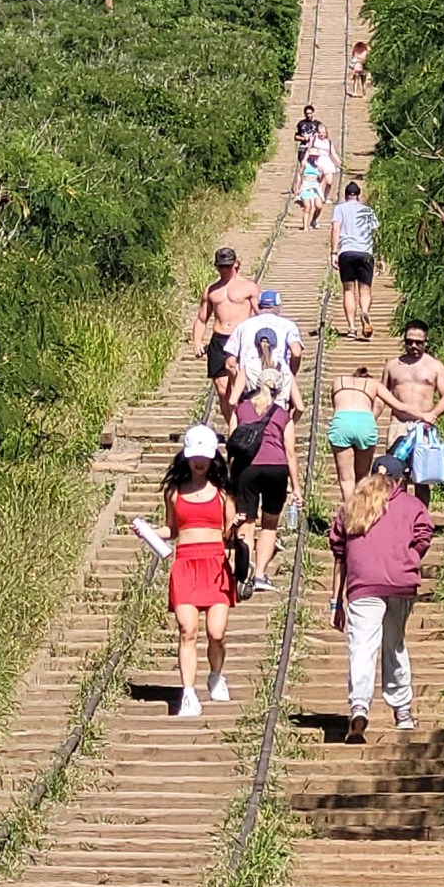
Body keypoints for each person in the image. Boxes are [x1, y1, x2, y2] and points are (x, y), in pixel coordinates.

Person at [330, 456, 433, 743]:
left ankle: (359, 706)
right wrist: (411, 557)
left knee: (362, 646)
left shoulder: (352, 505)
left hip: (363, 585)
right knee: (394, 644)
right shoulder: (412, 506)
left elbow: (339, 555)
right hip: (400, 583)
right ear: (400, 481)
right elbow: (425, 533)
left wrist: (336, 602)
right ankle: (402, 711)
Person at [142, 425, 238, 718]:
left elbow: (229, 533)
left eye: (204, 457)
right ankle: (187, 693)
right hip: (185, 564)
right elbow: (171, 529)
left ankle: (216, 675)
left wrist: (238, 529)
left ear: (212, 458)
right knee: (188, 630)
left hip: (215, 566)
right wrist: (146, 530)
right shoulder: (174, 492)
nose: (199, 462)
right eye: (194, 456)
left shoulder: (223, 493)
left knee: (216, 632)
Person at [230, 368, 301, 598]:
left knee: (246, 523)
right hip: (276, 469)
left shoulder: (240, 410)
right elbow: (290, 452)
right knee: (269, 524)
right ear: (279, 389)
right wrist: (296, 487)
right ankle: (260, 575)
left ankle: (243, 572)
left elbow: (232, 444)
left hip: (246, 469)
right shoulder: (282, 415)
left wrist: (230, 481)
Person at [381, 319, 444, 506]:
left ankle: (421, 521)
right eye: (409, 341)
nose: (413, 346)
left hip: (424, 427)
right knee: (396, 477)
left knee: (423, 477)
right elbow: (381, 395)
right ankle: (398, 521)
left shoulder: (435, 366)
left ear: (426, 342)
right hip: (399, 425)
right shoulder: (392, 366)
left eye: (418, 342)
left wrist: (433, 415)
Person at [192, 247, 260, 422]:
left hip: (240, 340)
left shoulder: (249, 287)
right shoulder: (211, 290)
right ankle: (233, 426)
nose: (224, 270)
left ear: (236, 264)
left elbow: (261, 314)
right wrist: (197, 341)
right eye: (221, 266)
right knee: (223, 391)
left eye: (227, 266)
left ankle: (245, 421)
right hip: (219, 341)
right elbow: (201, 318)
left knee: (242, 388)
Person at [327, 365, 412, 505]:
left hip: (341, 421)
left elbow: (335, 405)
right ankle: (363, 513)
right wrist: (425, 415)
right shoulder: (373, 384)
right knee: (363, 475)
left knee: (346, 478)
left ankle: (349, 516)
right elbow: (399, 406)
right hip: (365, 422)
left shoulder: (338, 381)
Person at [330, 181, 379, 340]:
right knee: (365, 290)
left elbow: (336, 229)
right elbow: (376, 233)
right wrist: (379, 256)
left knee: (348, 290)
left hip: (347, 252)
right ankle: (365, 311)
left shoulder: (340, 209)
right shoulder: (368, 211)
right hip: (365, 253)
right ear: (359, 196)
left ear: (345, 196)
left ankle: (351, 327)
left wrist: (334, 252)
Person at [225, 290, 304, 387]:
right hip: (277, 379)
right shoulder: (288, 325)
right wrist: (291, 375)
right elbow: (296, 353)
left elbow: (230, 364)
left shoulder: (242, 326)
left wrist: (238, 385)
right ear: (278, 307)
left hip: (249, 379)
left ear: (258, 306)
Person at [308, 122, 341, 203]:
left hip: (327, 161)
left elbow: (333, 153)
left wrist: (339, 161)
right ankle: (318, 197)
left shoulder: (328, 142)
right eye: (320, 132)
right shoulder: (314, 140)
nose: (321, 134)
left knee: (329, 182)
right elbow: (309, 150)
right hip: (317, 160)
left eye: (323, 132)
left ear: (326, 133)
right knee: (318, 180)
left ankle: (326, 197)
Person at [292, 104, 320, 193]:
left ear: (313, 113)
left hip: (314, 149)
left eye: (310, 113)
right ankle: (297, 187)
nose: (308, 115)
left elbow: (323, 135)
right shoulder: (301, 124)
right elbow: (296, 136)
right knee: (302, 167)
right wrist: (304, 138)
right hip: (303, 148)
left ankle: (313, 186)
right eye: (307, 113)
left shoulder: (317, 124)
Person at [295, 151, 325, 231]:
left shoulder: (318, 167)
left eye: (316, 156)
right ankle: (305, 227)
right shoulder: (305, 164)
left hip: (315, 186)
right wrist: (297, 188)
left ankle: (314, 219)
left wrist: (322, 174)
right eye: (313, 156)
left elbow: (320, 180)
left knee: (319, 206)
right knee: (307, 207)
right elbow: (299, 175)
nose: (314, 157)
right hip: (306, 186)